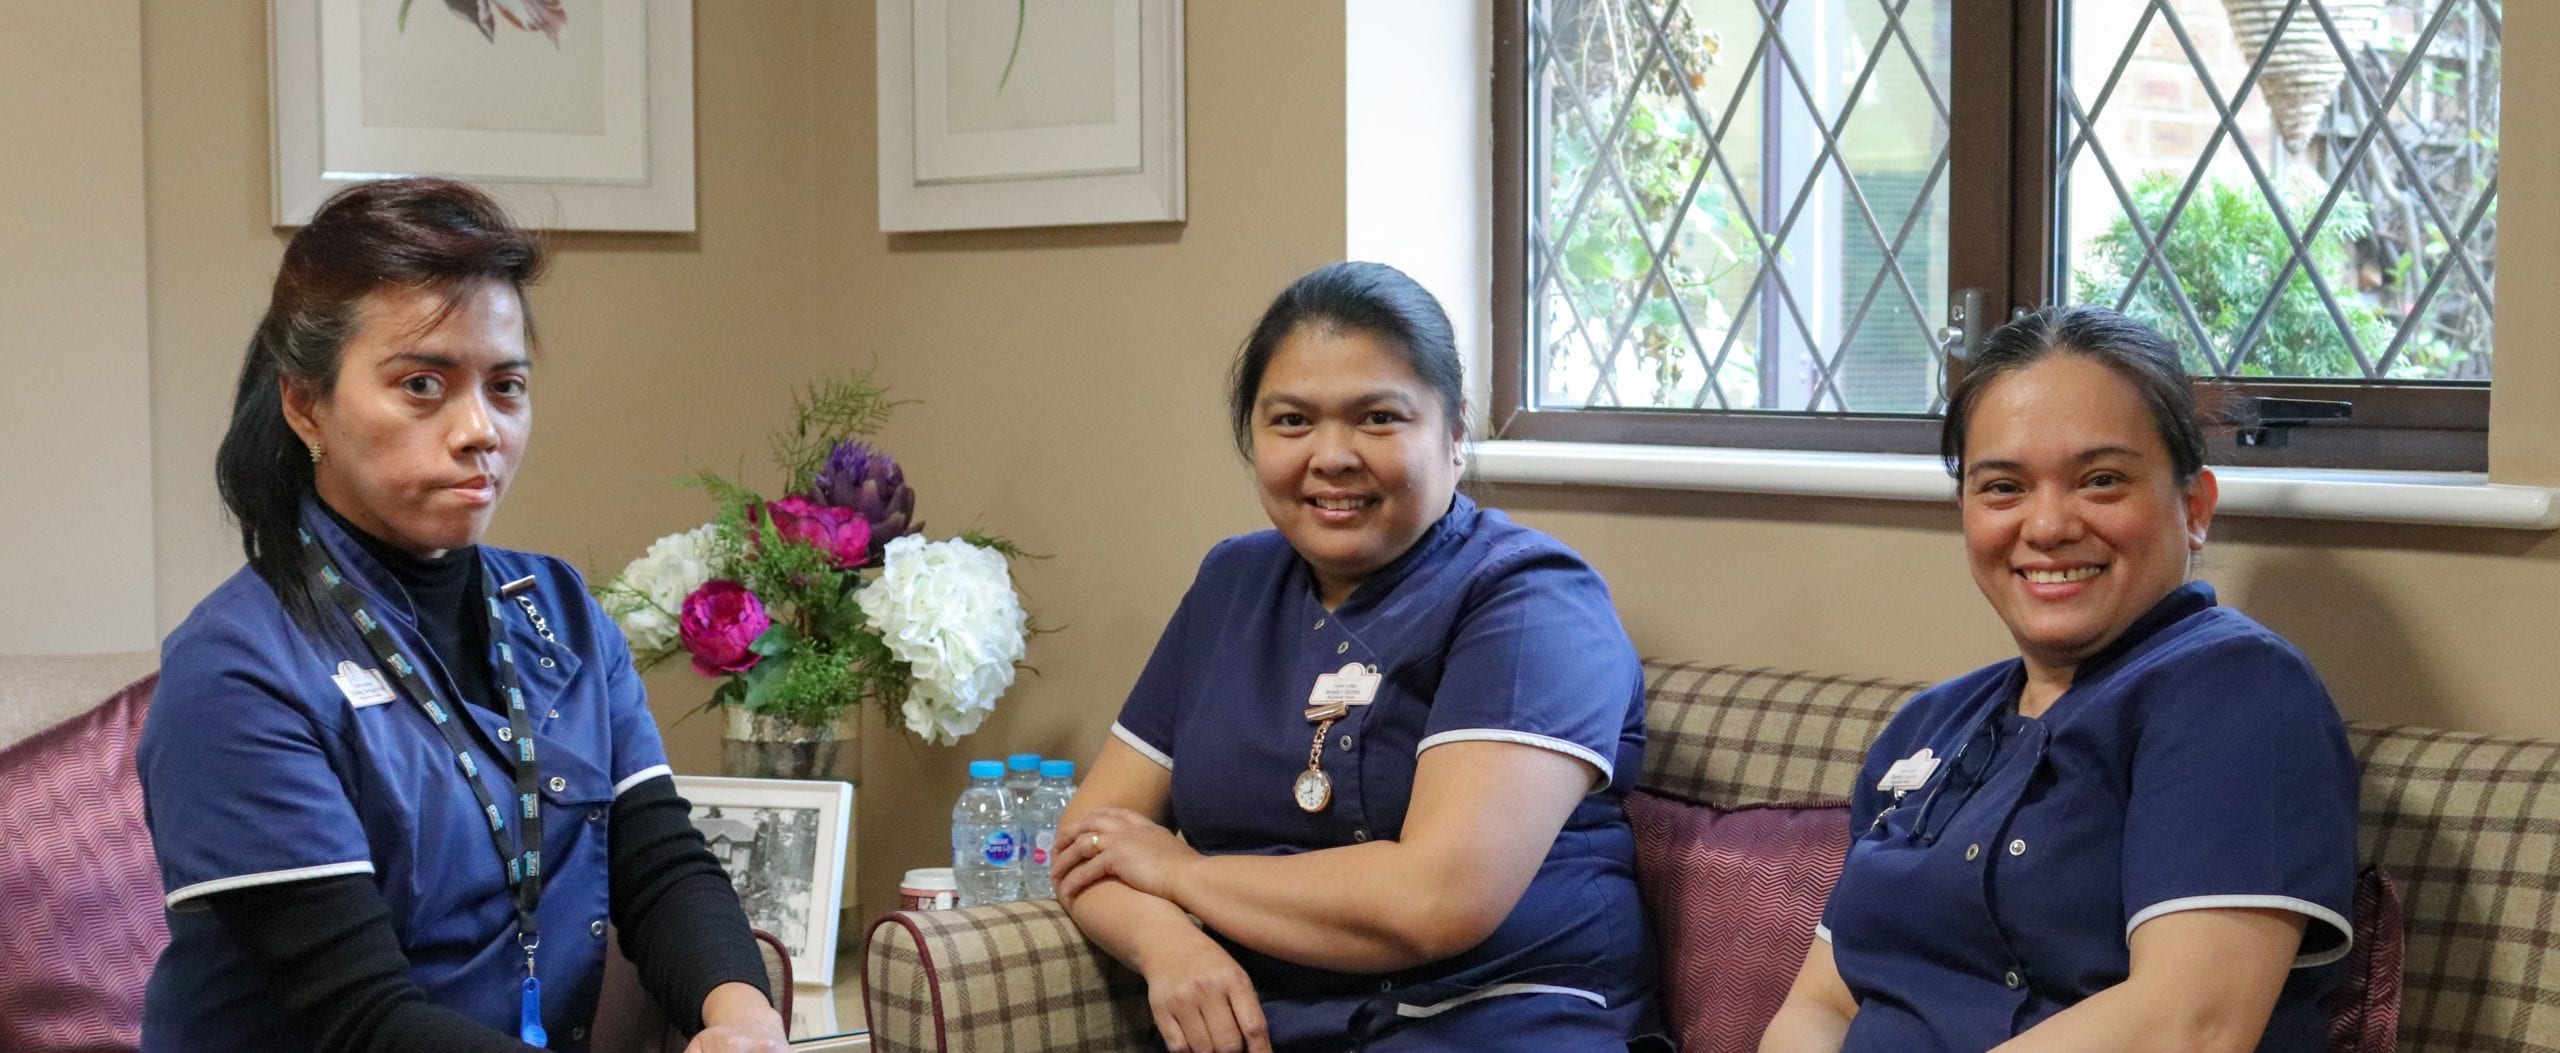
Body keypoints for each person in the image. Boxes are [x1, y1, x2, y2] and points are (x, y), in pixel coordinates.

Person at [138, 178, 790, 1053]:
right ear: (305, 404)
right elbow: (361, 1019)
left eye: (506, 386)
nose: (480, 429)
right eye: (422, 384)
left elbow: (658, 860)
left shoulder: (560, 611)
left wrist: (743, 1018)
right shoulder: (236, 668)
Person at [1045, 261, 1666, 1052]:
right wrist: (1166, 942)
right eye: (1292, 421)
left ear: (1454, 433)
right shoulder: (1233, 582)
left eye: (1377, 417)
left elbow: (1436, 900)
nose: (1331, 456)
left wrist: (1182, 875)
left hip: (1501, 1020)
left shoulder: (1533, 600)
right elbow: (1090, 840)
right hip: (1278, 1025)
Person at [1759, 306, 2360, 1052]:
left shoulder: (2238, 690)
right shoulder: (1927, 727)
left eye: (2101, 480)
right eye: (2002, 487)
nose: (2046, 527)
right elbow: (1821, 1004)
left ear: (2195, 507)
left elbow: (2189, 1025)